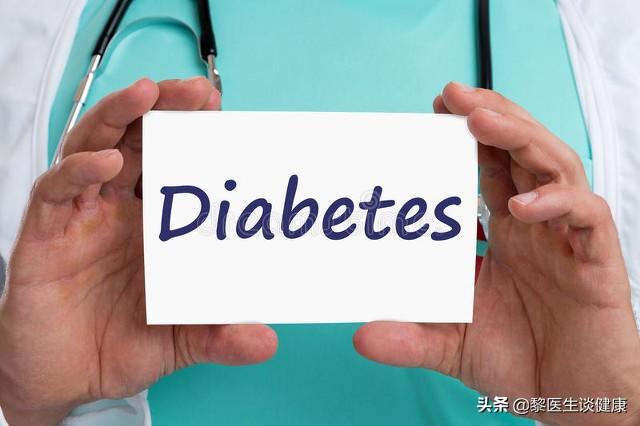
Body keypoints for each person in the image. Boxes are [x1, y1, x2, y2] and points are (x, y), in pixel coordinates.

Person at [0, 77, 639, 426]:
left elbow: (600, 404)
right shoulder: (30, 34)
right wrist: (25, 405)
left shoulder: (618, 49)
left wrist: (600, 412)